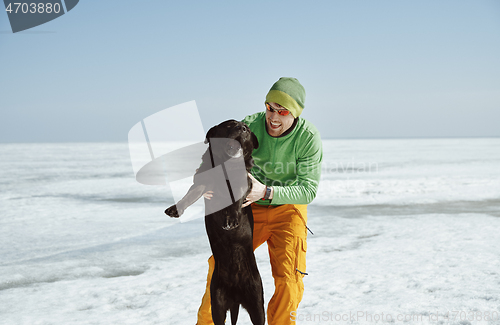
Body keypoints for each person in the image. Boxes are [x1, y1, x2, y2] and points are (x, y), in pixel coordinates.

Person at [196, 77, 323, 325]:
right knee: (220, 270)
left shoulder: (308, 138)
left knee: (289, 279)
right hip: (246, 208)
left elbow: (308, 190)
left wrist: (266, 192)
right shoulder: (249, 126)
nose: (274, 117)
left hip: (287, 210)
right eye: (270, 108)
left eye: (283, 111)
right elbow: (216, 153)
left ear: (294, 114)